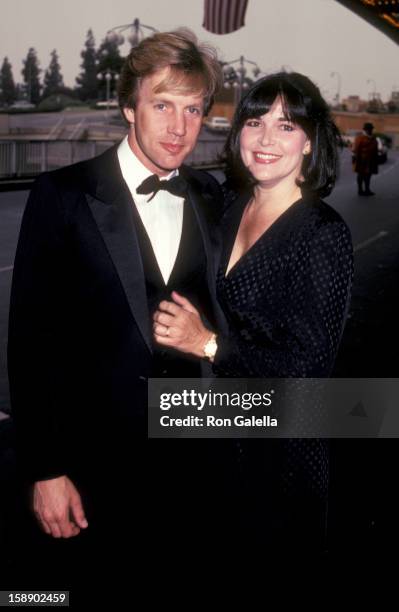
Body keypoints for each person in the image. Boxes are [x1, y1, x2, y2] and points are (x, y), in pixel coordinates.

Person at [7, 28, 226, 592]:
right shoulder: (63, 194)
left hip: (192, 465)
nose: (180, 128)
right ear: (129, 106)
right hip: (92, 465)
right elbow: (30, 341)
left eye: (194, 109)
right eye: (162, 105)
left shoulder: (211, 195)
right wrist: (46, 469)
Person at [153, 72, 354, 552]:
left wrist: (209, 343)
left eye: (287, 126)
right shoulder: (227, 206)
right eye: (255, 122)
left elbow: (308, 370)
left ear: (309, 142)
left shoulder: (322, 233)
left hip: (278, 462)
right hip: (215, 441)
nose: (266, 139)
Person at [352, 121, 378, 196]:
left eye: (371, 129)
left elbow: (375, 149)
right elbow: (356, 149)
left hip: (371, 160)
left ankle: (367, 189)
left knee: (368, 175)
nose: (370, 130)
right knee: (361, 175)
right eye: (368, 129)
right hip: (361, 160)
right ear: (365, 130)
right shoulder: (360, 138)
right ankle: (360, 190)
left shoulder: (373, 138)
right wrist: (356, 159)